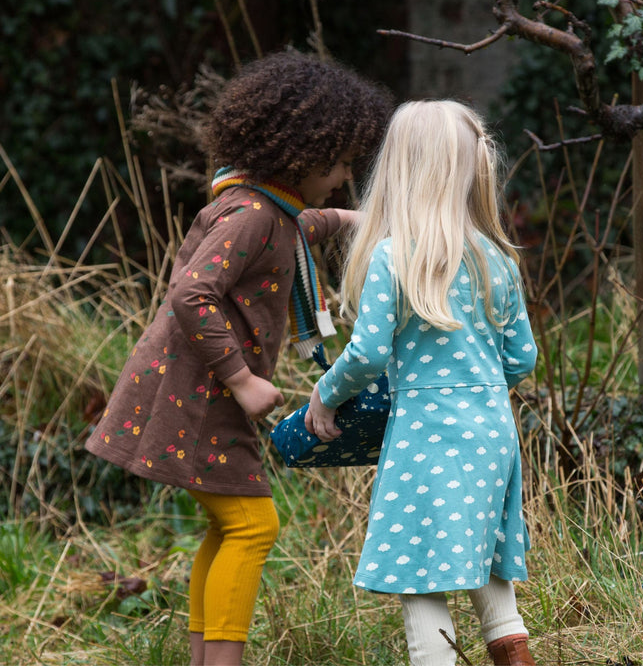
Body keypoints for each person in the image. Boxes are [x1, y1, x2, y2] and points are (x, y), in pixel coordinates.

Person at [85, 50, 392, 666]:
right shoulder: (251, 215)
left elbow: (302, 229)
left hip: (197, 393)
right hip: (199, 395)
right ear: (300, 156)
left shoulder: (265, 208)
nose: (340, 177)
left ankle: (206, 659)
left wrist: (361, 219)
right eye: (337, 165)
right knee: (253, 526)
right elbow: (191, 293)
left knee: (229, 525)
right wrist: (244, 379)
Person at [305, 100, 538, 666]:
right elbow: (522, 358)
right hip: (491, 434)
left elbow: (367, 354)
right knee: (482, 561)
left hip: (425, 438)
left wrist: (325, 394)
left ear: (400, 169)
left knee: (421, 577)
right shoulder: (497, 260)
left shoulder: (393, 257)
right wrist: (475, 385)